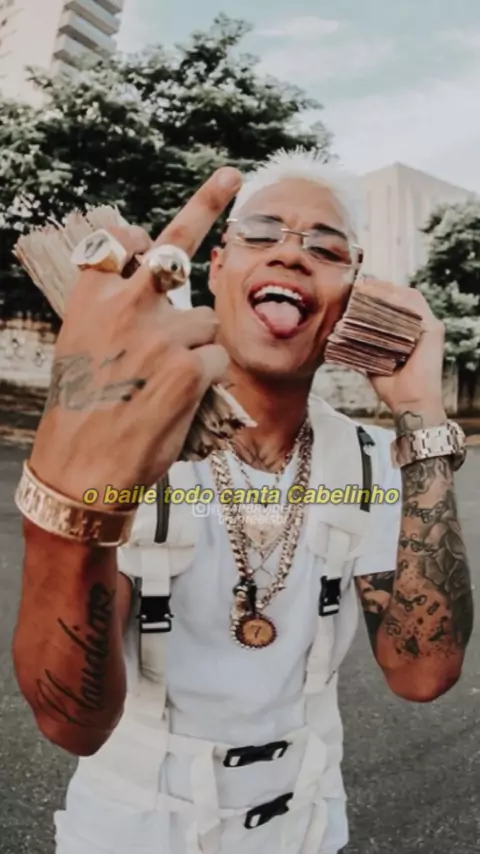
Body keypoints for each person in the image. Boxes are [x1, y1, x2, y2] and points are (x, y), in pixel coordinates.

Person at [12, 149, 473, 854]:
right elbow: (71, 723)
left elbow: (423, 674)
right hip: (131, 831)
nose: (291, 253)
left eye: (326, 248)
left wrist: (422, 416)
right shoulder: (133, 442)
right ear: (218, 267)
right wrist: (67, 511)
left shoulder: (369, 460)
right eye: (261, 234)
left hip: (306, 826)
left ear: (352, 295)